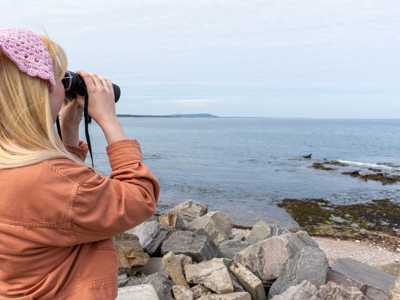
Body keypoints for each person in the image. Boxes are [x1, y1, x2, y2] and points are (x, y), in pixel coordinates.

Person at [0, 28, 160, 299]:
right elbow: (139, 199)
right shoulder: (52, 180)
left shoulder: (19, 167)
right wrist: (109, 121)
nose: (65, 88)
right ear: (41, 90)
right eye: (61, 78)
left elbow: (58, 210)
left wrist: (69, 126)